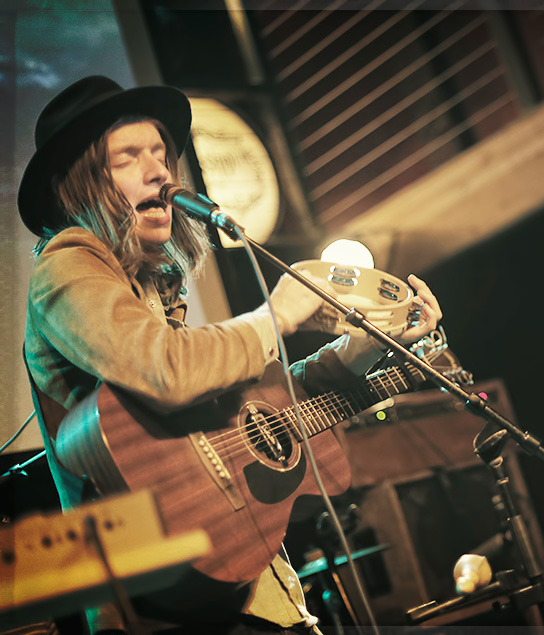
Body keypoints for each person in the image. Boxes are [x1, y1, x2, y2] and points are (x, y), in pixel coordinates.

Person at [18, 76, 442, 634]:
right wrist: (275, 317)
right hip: (159, 601)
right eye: (128, 158)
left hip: (242, 581)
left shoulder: (151, 284)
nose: (160, 172)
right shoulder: (66, 263)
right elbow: (165, 369)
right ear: (80, 183)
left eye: (161, 154)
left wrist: (365, 345)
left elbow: (262, 405)